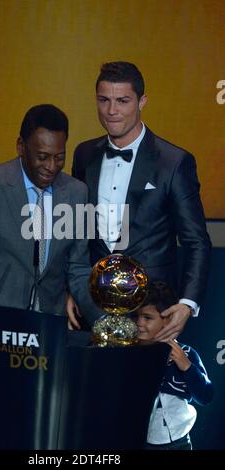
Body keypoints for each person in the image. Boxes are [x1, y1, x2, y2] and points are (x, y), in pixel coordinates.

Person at [69, 61, 212, 339]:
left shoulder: (174, 162)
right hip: (93, 305)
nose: (112, 111)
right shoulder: (84, 154)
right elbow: (79, 232)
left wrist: (187, 304)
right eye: (104, 100)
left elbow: (196, 241)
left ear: (142, 101)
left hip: (152, 311)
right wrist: (71, 289)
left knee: (143, 383)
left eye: (122, 101)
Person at [0, 104, 101, 324]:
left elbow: (78, 267)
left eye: (59, 157)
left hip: (49, 322)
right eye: (42, 156)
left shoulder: (77, 192)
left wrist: (102, 317)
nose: (51, 166)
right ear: (21, 147)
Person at [131, 281, 213, 450]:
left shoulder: (187, 354)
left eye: (147, 317)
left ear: (169, 320)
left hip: (180, 442)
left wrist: (187, 366)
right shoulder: (128, 354)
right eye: (136, 316)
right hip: (142, 442)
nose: (139, 323)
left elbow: (205, 396)